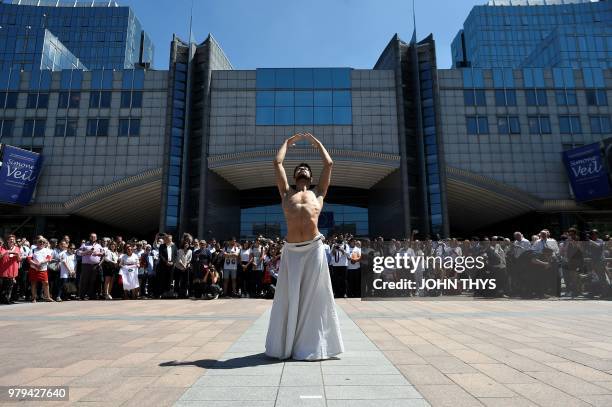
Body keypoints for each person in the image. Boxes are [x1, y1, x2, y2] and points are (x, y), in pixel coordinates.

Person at [265, 132, 344, 361]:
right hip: (291, 250)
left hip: (314, 248)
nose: (303, 170)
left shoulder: (318, 193)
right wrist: (288, 142)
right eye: (299, 168)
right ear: (294, 175)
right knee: (289, 296)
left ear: (310, 176)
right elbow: (277, 162)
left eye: (306, 169)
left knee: (315, 296)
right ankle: (286, 344)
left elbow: (329, 163)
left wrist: (316, 143)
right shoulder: (286, 193)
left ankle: (313, 345)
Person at [77, 233, 104, 300]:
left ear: (96, 238)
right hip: (86, 265)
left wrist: (98, 253)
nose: (93, 238)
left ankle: (91, 295)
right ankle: (82, 295)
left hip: (95, 266)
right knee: (85, 280)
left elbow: (103, 253)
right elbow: (78, 252)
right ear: (89, 237)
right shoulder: (84, 244)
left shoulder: (99, 245)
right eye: (92, 237)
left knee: (93, 281)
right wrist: (86, 252)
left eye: (94, 237)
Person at [27, 237, 55, 302]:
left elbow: (48, 258)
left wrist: (42, 262)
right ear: (37, 243)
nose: (41, 243)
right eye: (40, 242)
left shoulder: (47, 250)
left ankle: (47, 297)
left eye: (43, 242)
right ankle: (34, 297)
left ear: (45, 243)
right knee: (33, 283)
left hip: (43, 269)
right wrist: (35, 264)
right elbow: (29, 258)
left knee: (46, 283)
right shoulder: (33, 250)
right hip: (34, 268)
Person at [0, 235, 21, 304]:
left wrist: (17, 254)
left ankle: (7, 299)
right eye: (10, 239)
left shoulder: (17, 248)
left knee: (10, 285)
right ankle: (2, 298)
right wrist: (7, 251)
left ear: (14, 241)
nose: (12, 240)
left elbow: (19, 259)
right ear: (7, 240)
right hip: (4, 269)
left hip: (12, 268)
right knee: (3, 285)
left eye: (13, 239)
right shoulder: (2, 247)